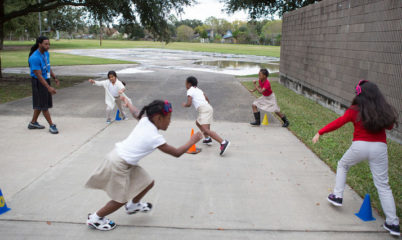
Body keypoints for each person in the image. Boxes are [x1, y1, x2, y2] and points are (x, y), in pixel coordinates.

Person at [85, 100, 202, 231]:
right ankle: (95, 218)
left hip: (125, 161)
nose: (170, 121)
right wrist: (192, 140)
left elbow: (136, 112)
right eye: (168, 118)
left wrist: (128, 103)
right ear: (158, 118)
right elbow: (176, 153)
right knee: (120, 199)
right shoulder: (154, 137)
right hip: (119, 163)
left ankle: (133, 205)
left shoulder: (145, 120)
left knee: (148, 183)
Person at [312, 80, 399, 236]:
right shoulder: (381, 109)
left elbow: (339, 122)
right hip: (380, 148)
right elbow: (390, 126)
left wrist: (320, 132)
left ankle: (337, 196)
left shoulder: (354, 110)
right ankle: (393, 223)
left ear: (359, 94)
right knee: (383, 185)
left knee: (343, 165)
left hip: (360, 146)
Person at [182, 76, 230, 156]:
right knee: (198, 122)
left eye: (186, 83)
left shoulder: (190, 90)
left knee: (206, 129)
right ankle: (207, 139)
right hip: (207, 108)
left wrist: (185, 105)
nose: (185, 85)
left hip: (204, 110)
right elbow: (207, 99)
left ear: (189, 84)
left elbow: (189, 104)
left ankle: (223, 142)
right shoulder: (199, 90)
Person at [28, 36, 59, 134]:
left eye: (49, 44)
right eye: (46, 44)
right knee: (44, 105)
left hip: (46, 80)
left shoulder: (46, 53)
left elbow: (48, 67)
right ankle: (51, 125)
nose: (48, 46)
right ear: (39, 44)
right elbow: (38, 75)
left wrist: (54, 78)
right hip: (39, 82)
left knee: (40, 104)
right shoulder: (34, 58)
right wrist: (48, 87)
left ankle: (33, 123)